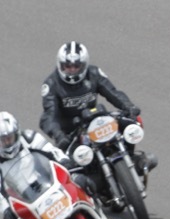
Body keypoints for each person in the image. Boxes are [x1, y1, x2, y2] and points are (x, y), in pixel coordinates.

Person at [0, 111, 98, 219]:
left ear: (17, 133)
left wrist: (65, 162)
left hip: (49, 182)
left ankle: (99, 214)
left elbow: (51, 151)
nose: (7, 143)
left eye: (10, 138)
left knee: (83, 181)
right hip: (25, 200)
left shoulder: (29, 138)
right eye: (2, 140)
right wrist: (6, 211)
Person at [39, 41, 156, 172]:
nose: (72, 70)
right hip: (71, 134)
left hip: (94, 120)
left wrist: (129, 107)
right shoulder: (51, 84)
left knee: (133, 121)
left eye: (76, 66)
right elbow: (49, 116)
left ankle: (132, 158)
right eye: (67, 66)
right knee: (70, 169)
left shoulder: (94, 73)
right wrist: (58, 135)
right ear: (60, 65)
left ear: (84, 65)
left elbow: (112, 92)